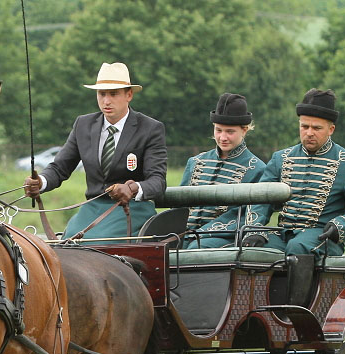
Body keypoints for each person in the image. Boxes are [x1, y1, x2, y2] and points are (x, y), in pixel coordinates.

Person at [23, 62, 166, 241]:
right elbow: (60, 168)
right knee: (67, 244)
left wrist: (132, 188)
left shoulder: (150, 128)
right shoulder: (83, 125)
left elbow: (158, 181)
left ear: (129, 94)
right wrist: (40, 182)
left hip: (131, 208)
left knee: (95, 244)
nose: (106, 101)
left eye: (113, 94)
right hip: (92, 207)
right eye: (102, 94)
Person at [242, 89, 345, 257]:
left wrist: (341, 226)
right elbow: (260, 198)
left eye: (316, 128)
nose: (309, 133)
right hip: (284, 234)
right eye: (304, 126)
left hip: (324, 237)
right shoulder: (281, 158)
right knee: (251, 249)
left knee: (298, 247)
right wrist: (255, 230)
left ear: (331, 129)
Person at [181, 93, 266, 248]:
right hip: (184, 234)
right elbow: (179, 207)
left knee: (195, 247)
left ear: (244, 130)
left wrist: (200, 234)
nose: (222, 137)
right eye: (218, 130)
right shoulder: (195, 162)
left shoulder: (257, 169)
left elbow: (244, 217)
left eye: (230, 131)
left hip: (224, 237)